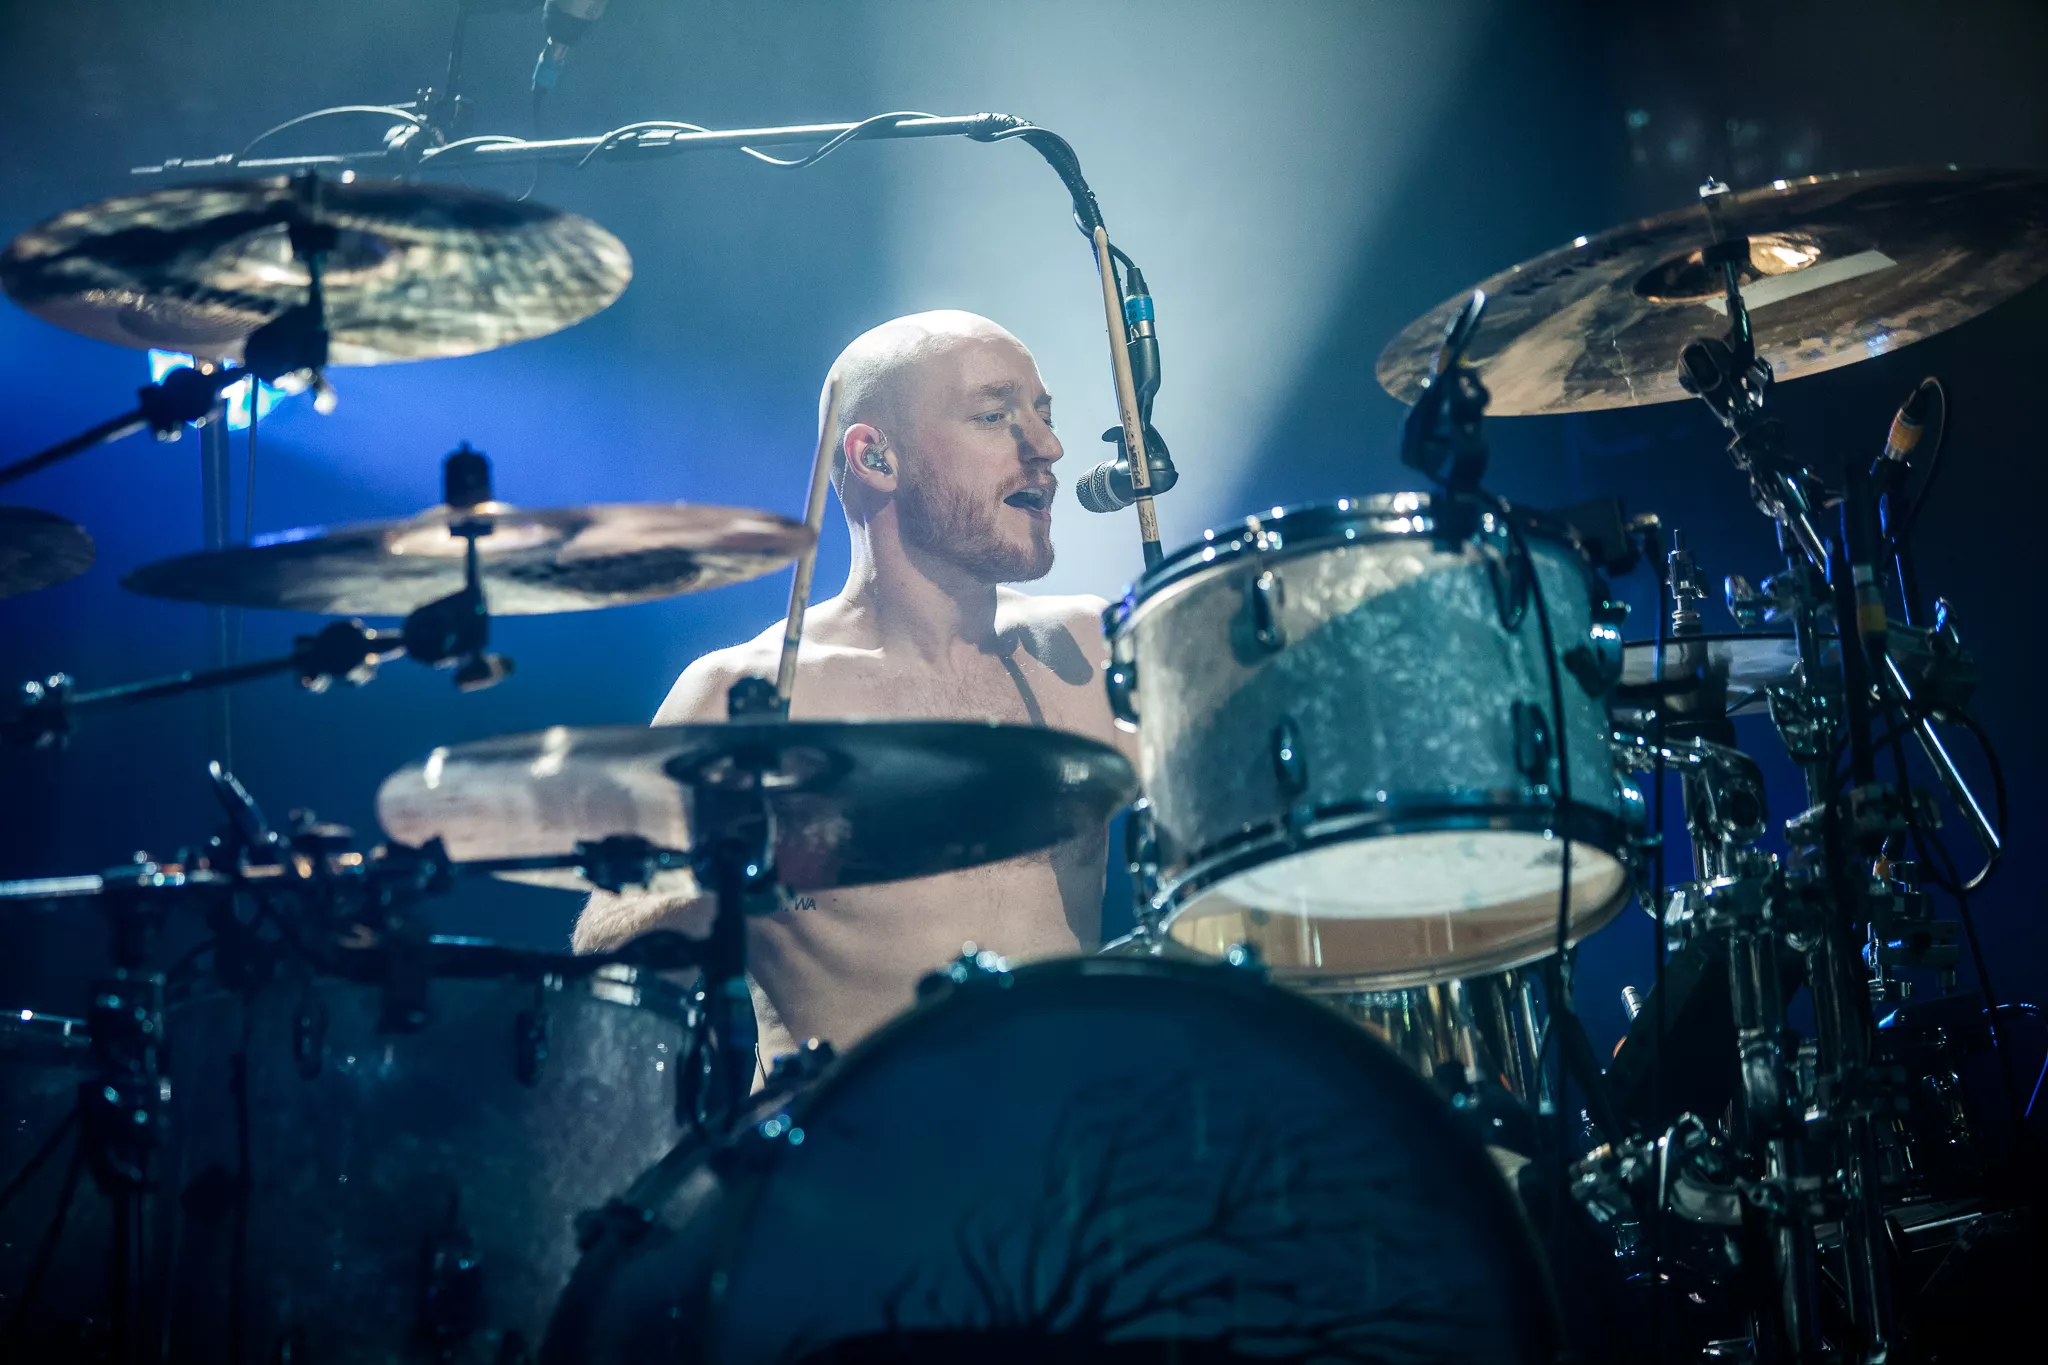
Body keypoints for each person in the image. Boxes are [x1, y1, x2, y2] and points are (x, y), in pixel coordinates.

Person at [573, 310, 1131, 1062]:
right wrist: (730, 871)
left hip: (1080, 1123)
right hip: (848, 1128)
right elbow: (606, 967)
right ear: (875, 456)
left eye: (1044, 414)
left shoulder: (1091, 650)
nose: (1048, 448)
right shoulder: (751, 696)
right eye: (995, 416)